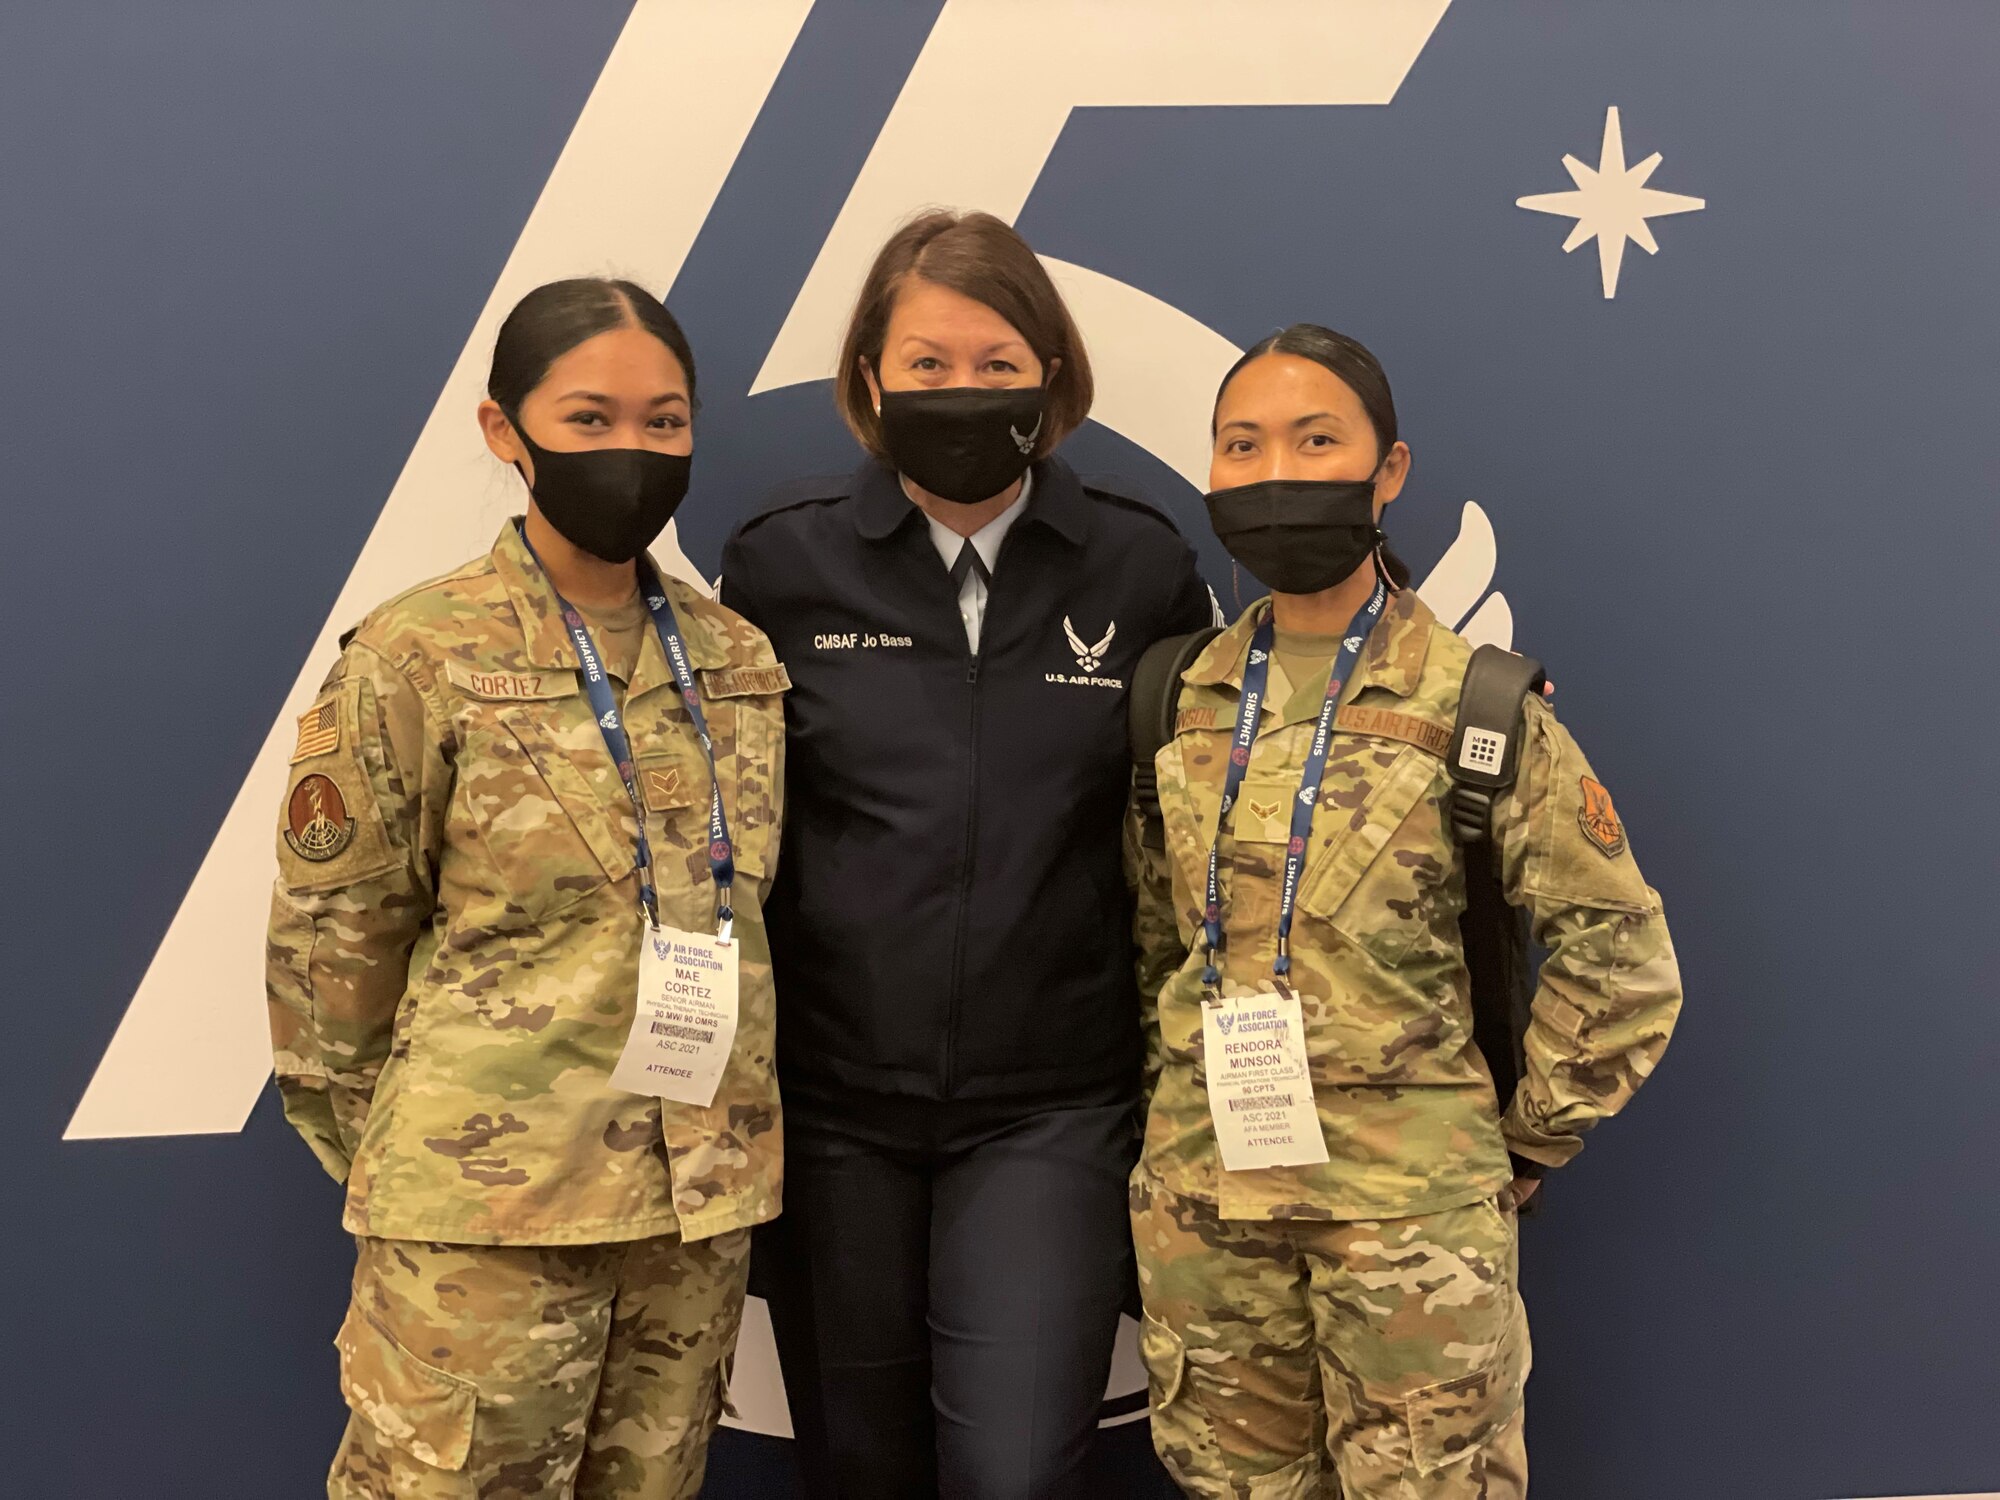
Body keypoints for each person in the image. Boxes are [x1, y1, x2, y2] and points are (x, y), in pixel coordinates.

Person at [1128, 324, 1683, 1498]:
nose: (1276, 469)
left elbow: (1617, 952)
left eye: (1315, 439)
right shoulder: (1175, 700)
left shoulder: (1476, 704)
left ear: (1389, 471)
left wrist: (1530, 1133)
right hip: (1207, 1213)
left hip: (1410, 1223)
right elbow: (1155, 945)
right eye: (1242, 444)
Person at [264, 277, 790, 1500]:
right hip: (484, 1223)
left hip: (689, 1211)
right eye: (590, 418)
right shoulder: (418, 653)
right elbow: (331, 961)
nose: (632, 450)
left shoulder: (736, 662)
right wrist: (437, 1165)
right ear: (506, 431)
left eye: (664, 422)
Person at [720, 210, 1214, 1498]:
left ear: (1052, 374)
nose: (960, 392)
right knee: (862, 1467)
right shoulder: (780, 564)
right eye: (926, 365)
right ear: (868, 380)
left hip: (1047, 1105)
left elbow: (1223, 798)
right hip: (833, 1110)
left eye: (996, 363)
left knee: (1011, 1470)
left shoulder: (1138, 560)